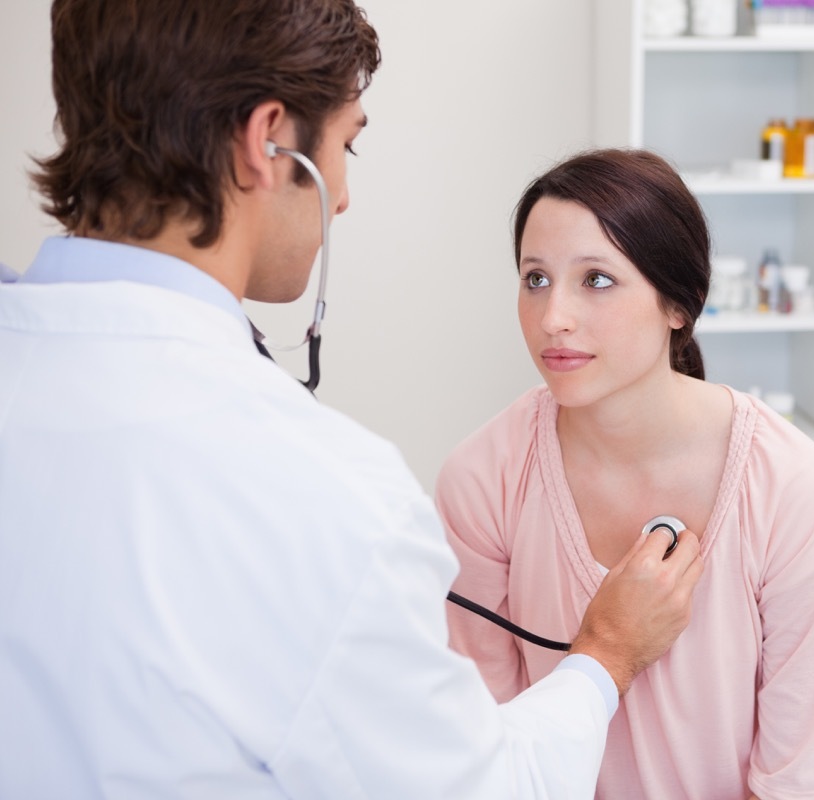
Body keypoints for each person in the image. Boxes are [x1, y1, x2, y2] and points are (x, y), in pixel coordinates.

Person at [0, 4, 704, 798]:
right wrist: (606, 655)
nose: (341, 196)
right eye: (346, 144)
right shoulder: (328, 499)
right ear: (268, 142)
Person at [437, 148, 814, 800]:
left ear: (678, 303)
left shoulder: (791, 488)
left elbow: (794, 783)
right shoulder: (482, 482)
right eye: (535, 278)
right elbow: (491, 764)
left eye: (595, 280)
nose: (552, 317)